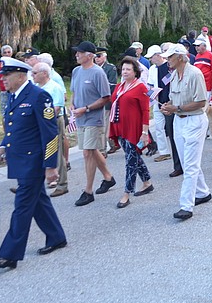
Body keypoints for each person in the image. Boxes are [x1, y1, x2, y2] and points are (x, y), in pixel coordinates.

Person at [0, 57, 66, 269]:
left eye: (7, 76)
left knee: (21, 207)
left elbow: (50, 134)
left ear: (21, 76)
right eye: (3, 76)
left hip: (33, 162)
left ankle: (9, 254)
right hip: (20, 160)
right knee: (38, 200)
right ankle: (56, 236)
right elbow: (14, 127)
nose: (3, 80)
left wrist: (50, 166)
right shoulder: (14, 97)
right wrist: (4, 146)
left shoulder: (40, 97)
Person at [159, 44, 211, 221]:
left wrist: (177, 108)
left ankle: (186, 205)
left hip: (194, 121)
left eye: (170, 57)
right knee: (187, 161)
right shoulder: (173, 75)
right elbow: (174, 98)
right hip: (179, 122)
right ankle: (203, 192)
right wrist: (168, 107)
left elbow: (201, 102)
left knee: (189, 165)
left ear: (180, 57)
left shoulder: (195, 74)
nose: (167, 60)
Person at [69, 41, 116, 206]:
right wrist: (72, 104)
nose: (76, 55)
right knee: (92, 150)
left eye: (79, 53)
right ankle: (108, 178)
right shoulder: (76, 71)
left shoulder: (98, 73)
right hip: (80, 118)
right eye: (77, 52)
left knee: (87, 152)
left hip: (94, 118)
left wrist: (86, 108)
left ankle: (88, 191)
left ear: (90, 55)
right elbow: (74, 91)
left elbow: (106, 97)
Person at [109, 57, 153, 209]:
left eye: (128, 69)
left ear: (135, 72)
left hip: (134, 129)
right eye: (123, 69)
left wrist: (144, 132)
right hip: (120, 126)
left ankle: (127, 192)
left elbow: (145, 111)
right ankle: (147, 182)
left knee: (130, 160)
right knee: (133, 156)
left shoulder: (140, 87)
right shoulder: (120, 86)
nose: (125, 72)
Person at [32, 62, 69, 197]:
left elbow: (57, 108)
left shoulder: (55, 87)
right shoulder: (36, 87)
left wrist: (42, 120)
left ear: (45, 73)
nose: (32, 75)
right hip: (40, 123)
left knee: (56, 152)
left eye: (35, 73)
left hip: (53, 121)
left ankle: (62, 183)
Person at [155, 43, 183, 178]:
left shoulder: (184, 68)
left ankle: (187, 163)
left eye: (168, 53)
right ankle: (177, 166)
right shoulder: (161, 69)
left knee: (184, 137)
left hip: (182, 105)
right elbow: (161, 87)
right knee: (172, 137)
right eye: (164, 52)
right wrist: (163, 105)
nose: (166, 56)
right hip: (168, 105)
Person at [0, 45, 13, 117]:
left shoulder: (15, 63)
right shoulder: (0, 65)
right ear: (2, 54)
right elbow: (2, 77)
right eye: (5, 52)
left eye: (8, 52)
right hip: (4, 90)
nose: (7, 54)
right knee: (4, 112)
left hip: (14, 90)